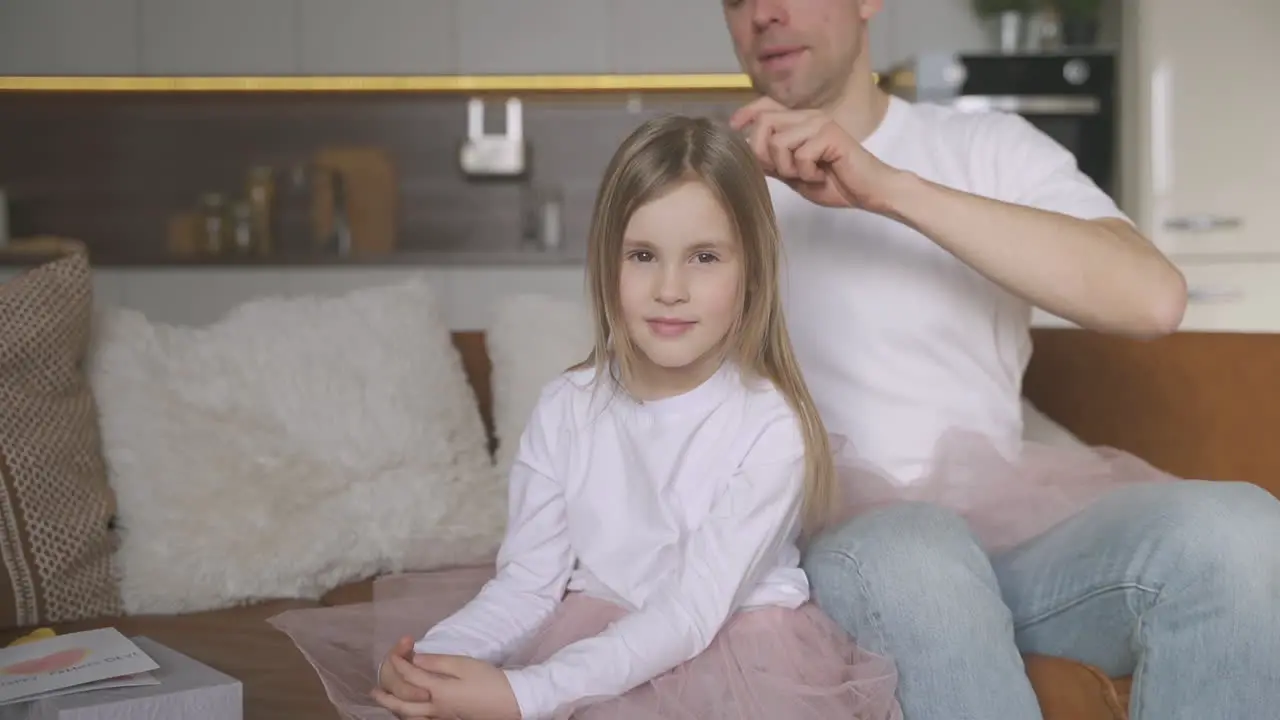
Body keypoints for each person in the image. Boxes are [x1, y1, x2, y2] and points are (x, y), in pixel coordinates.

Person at [715, 1, 1280, 719]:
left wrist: (885, 188)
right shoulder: (709, 183)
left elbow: (1152, 300)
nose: (765, 13)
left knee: (1241, 530)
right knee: (918, 551)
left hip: (1015, 544)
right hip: (832, 553)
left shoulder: (989, 149)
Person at [269, 115, 903, 720]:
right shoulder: (567, 408)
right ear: (607, 264)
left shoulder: (770, 425)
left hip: (736, 656)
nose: (671, 288)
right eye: (643, 255)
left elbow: (689, 612)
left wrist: (527, 693)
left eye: (705, 257)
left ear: (752, 274)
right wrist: (438, 662)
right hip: (596, 641)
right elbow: (527, 584)